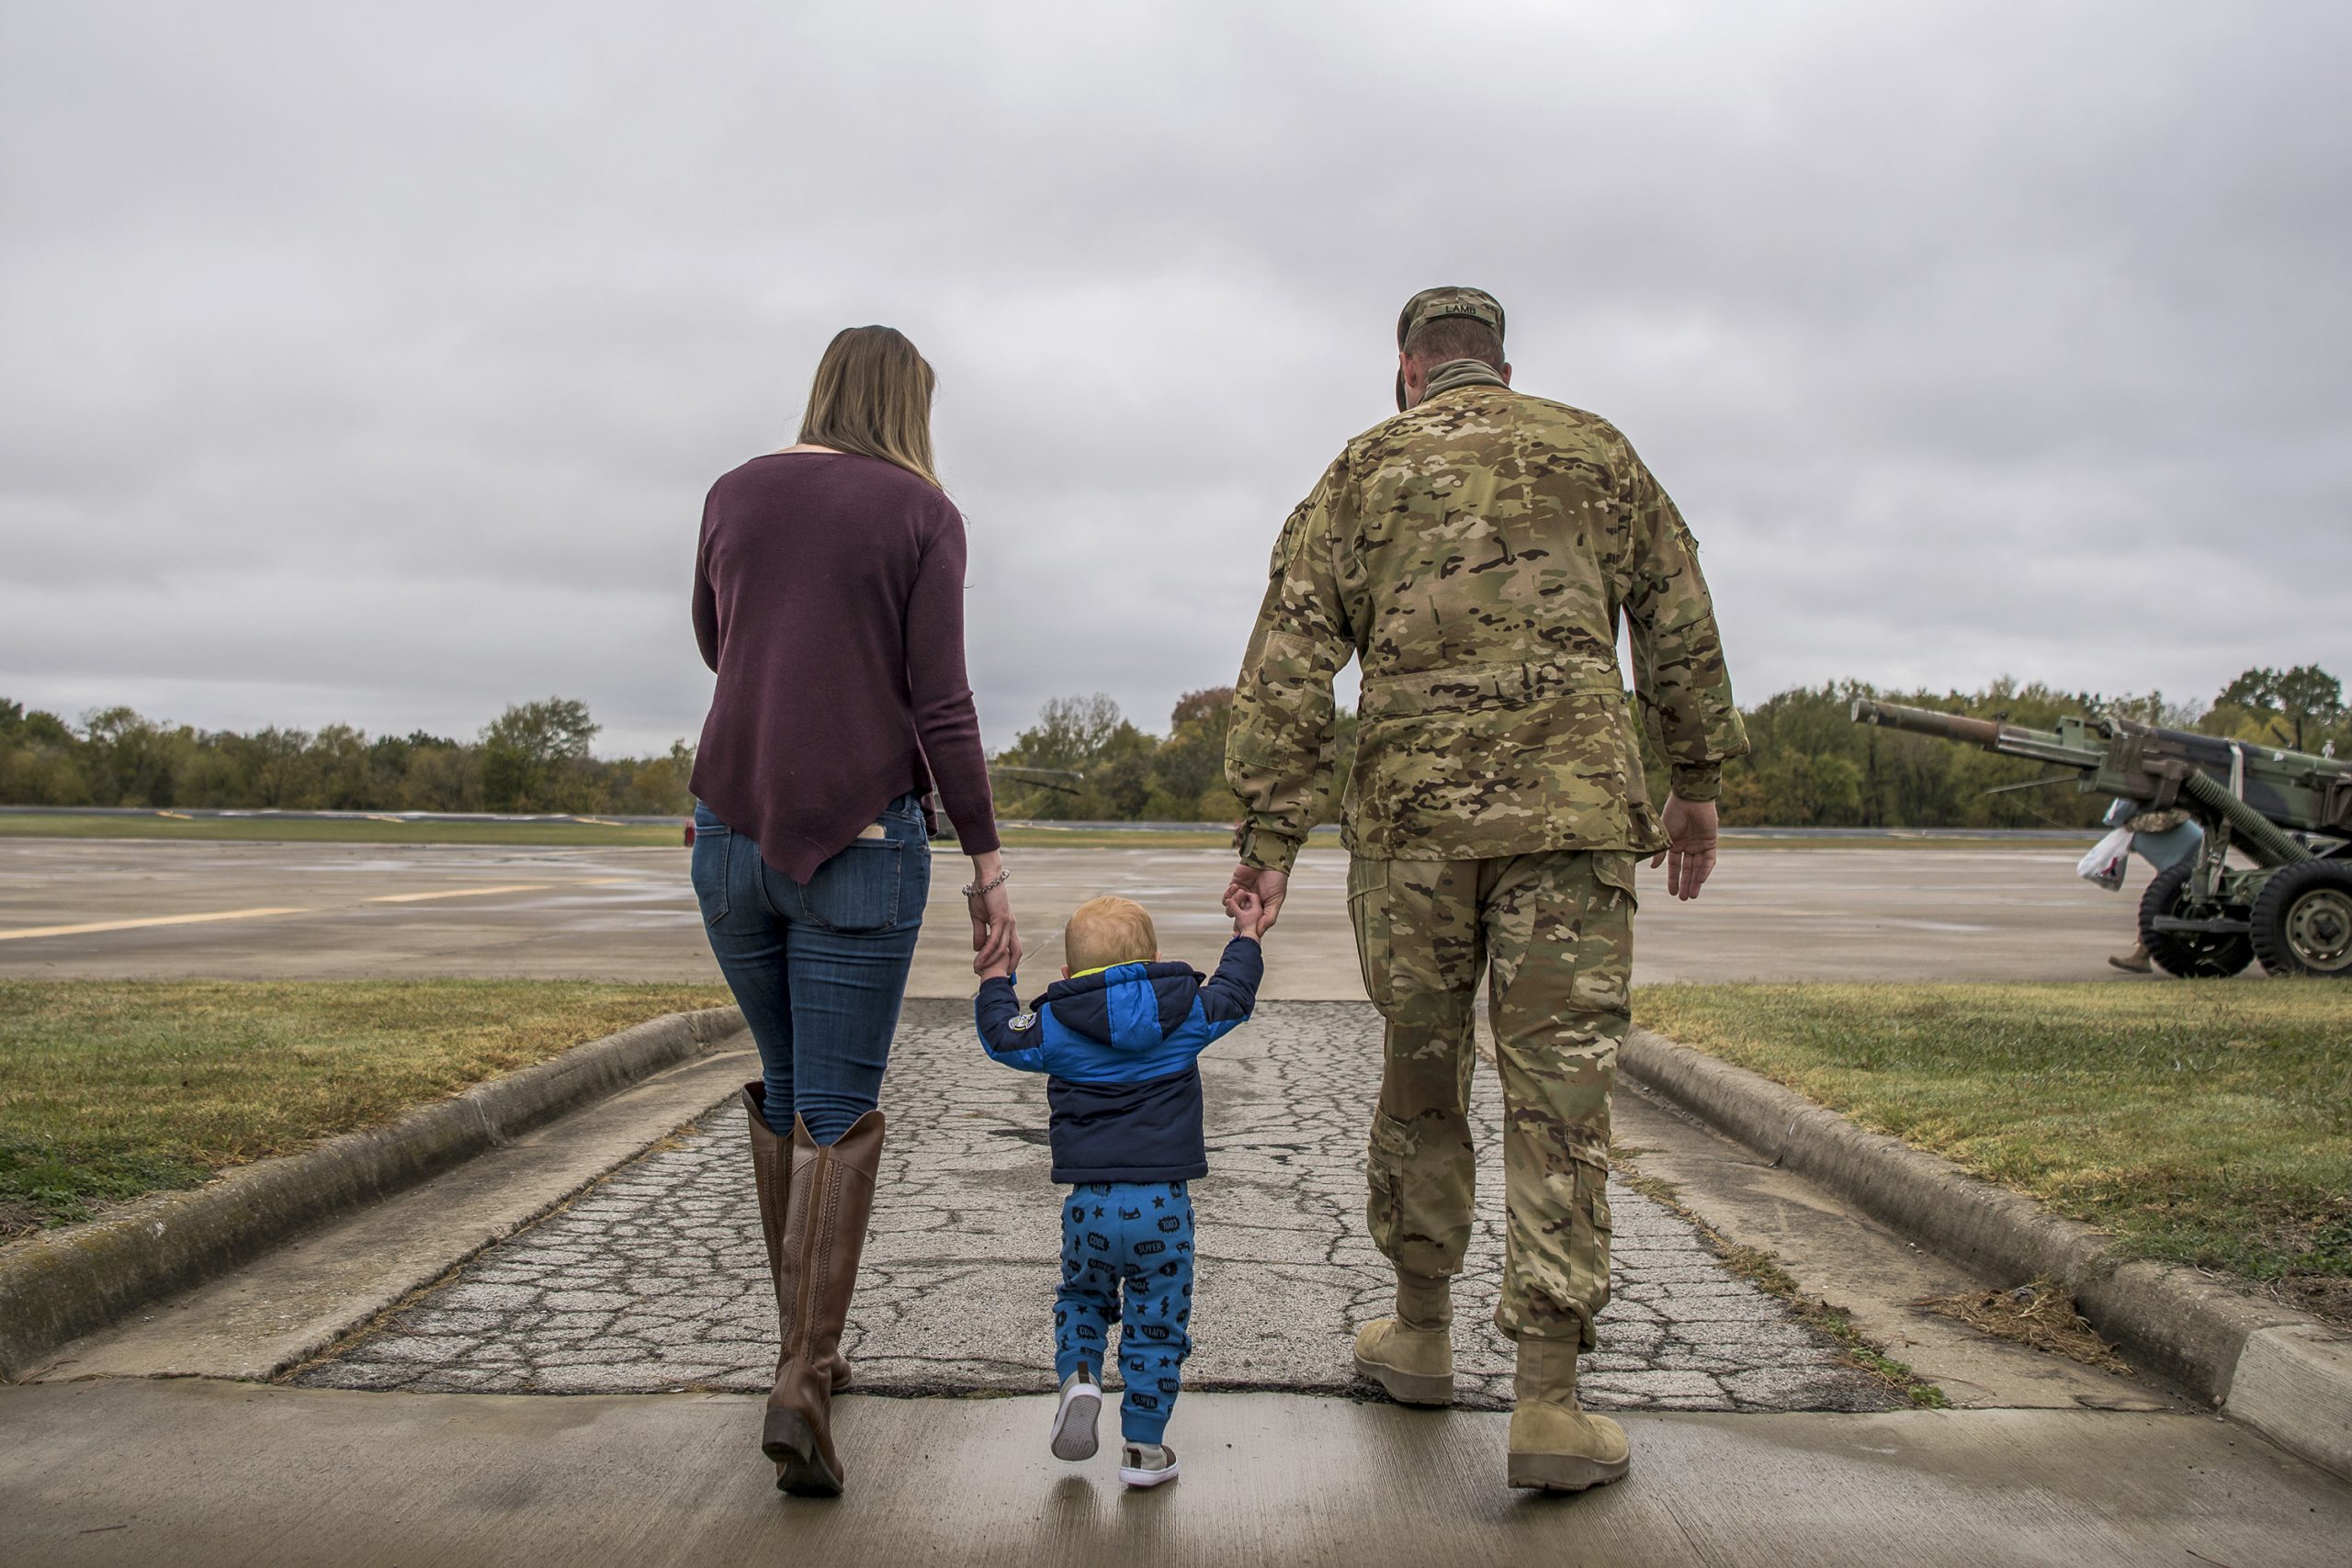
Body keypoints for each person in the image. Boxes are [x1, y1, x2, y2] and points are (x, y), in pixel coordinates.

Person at [1221, 288, 1747, 1493]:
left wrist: (1268, 830)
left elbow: (1293, 651)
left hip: (1412, 827)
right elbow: (1679, 617)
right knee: (1561, 1091)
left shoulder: (1362, 469)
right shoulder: (1597, 453)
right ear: (1503, 365)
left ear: (1407, 370)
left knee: (1422, 1069)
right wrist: (1696, 782)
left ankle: (1418, 1330)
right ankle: (1550, 1398)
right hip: (1569, 823)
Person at [688, 324, 1021, 1498]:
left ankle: (802, 1358)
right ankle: (803, 1377)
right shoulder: (921, 512)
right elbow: (941, 702)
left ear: (823, 387)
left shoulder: (733, 492)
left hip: (727, 832)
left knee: (785, 1097)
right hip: (861, 839)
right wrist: (986, 860)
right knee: (835, 1106)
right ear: (909, 407)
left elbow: (717, 644)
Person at [973, 892, 1267, 1489]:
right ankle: (1144, 1447)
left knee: (1082, 1297)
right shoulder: (1185, 1011)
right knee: (1157, 1323)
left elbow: (1002, 1035)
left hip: (1091, 1205)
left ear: (1067, 974)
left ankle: (1080, 1375)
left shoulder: (1055, 1023)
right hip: (1164, 1208)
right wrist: (1247, 937)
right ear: (1155, 958)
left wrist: (996, 976)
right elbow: (1235, 995)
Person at [2101, 798, 2205, 972]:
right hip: (2185, 842)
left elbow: (2116, 815)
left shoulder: (2138, 787)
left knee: (2161, 901)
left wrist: (2123, 824)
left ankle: (2143, 956)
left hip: (2179, 847)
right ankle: (2142, 955)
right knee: (2163, 897)